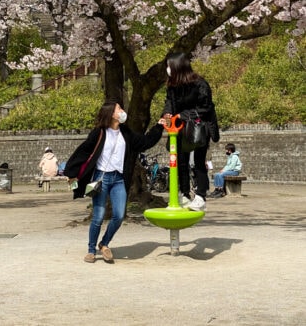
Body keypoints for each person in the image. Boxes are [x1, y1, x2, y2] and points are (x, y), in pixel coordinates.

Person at [64, 101, 167, 263]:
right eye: (119, 109)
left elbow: (144, 142)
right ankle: (91, 250)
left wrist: (159, 126)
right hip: (102, 178)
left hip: (119, 179)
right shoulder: (98, 133)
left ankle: (104, 244)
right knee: (98, 216)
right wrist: (71, 173)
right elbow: (83, 152)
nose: (122, 111)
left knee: (118, 216)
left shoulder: (125, 132)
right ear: (111, 113)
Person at [162, 52, 216, 212]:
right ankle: (184, 194)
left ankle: (200, 196)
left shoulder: (200, 84)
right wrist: (167, 114)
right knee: (181, 162)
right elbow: (169, 103)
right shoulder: (173, 86)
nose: (167, 69)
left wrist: (183, 115)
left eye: (169, 66)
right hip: (180, 127)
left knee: (199, 162)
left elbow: (206, 107)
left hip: (199, 126)